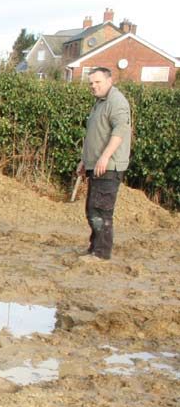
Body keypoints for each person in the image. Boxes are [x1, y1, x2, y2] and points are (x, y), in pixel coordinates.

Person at [76, 67, 131, 262]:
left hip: (109, 167)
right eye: (91, 83)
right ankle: (94, 248)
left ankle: (101, 253)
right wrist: (85, 160)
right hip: (96, 165)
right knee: (92, 209)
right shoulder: (99, 103)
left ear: (109, 80)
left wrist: (105, 157)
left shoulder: (116, 102)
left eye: (97, 82)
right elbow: (95, 135)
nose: (93, 86)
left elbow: (121, 130)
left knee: (101, 211)